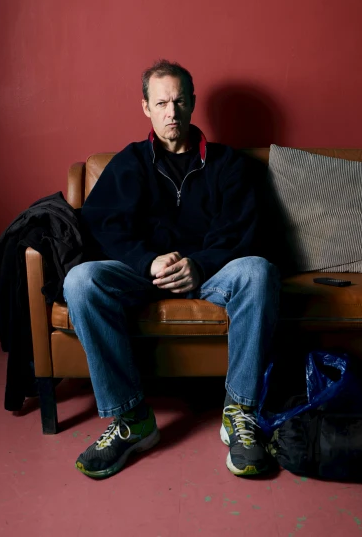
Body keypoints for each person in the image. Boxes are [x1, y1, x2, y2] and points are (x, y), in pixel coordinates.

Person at [63, 60, 280, 480]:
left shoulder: (228, 165)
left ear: (193, 103)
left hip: (211, 276)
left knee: (258, 270)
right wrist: (147, 261)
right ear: (145, 107)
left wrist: (199, 265)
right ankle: (132, 419)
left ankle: (240, 413)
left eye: (179, 101)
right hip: (143, 277)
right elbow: (102, 225)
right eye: (161, 102)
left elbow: (245, 232)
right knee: (81, 281)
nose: (171, 111)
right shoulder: (128, 163)